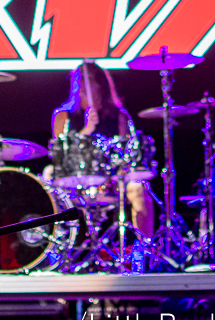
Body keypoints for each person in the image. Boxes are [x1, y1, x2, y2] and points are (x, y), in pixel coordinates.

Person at [50, 61, 155, 238]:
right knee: (48, 174)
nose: (83, 85)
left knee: (139, 188)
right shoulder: (63, 116)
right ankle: (56, 241)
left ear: (101, 84)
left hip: (109, 180)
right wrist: (87, 130)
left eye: (89, 79)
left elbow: (126, 153)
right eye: (79, 80)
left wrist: (121, 168)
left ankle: (145, 246)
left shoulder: (118, 116)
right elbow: (61, 156)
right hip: (75, 180)